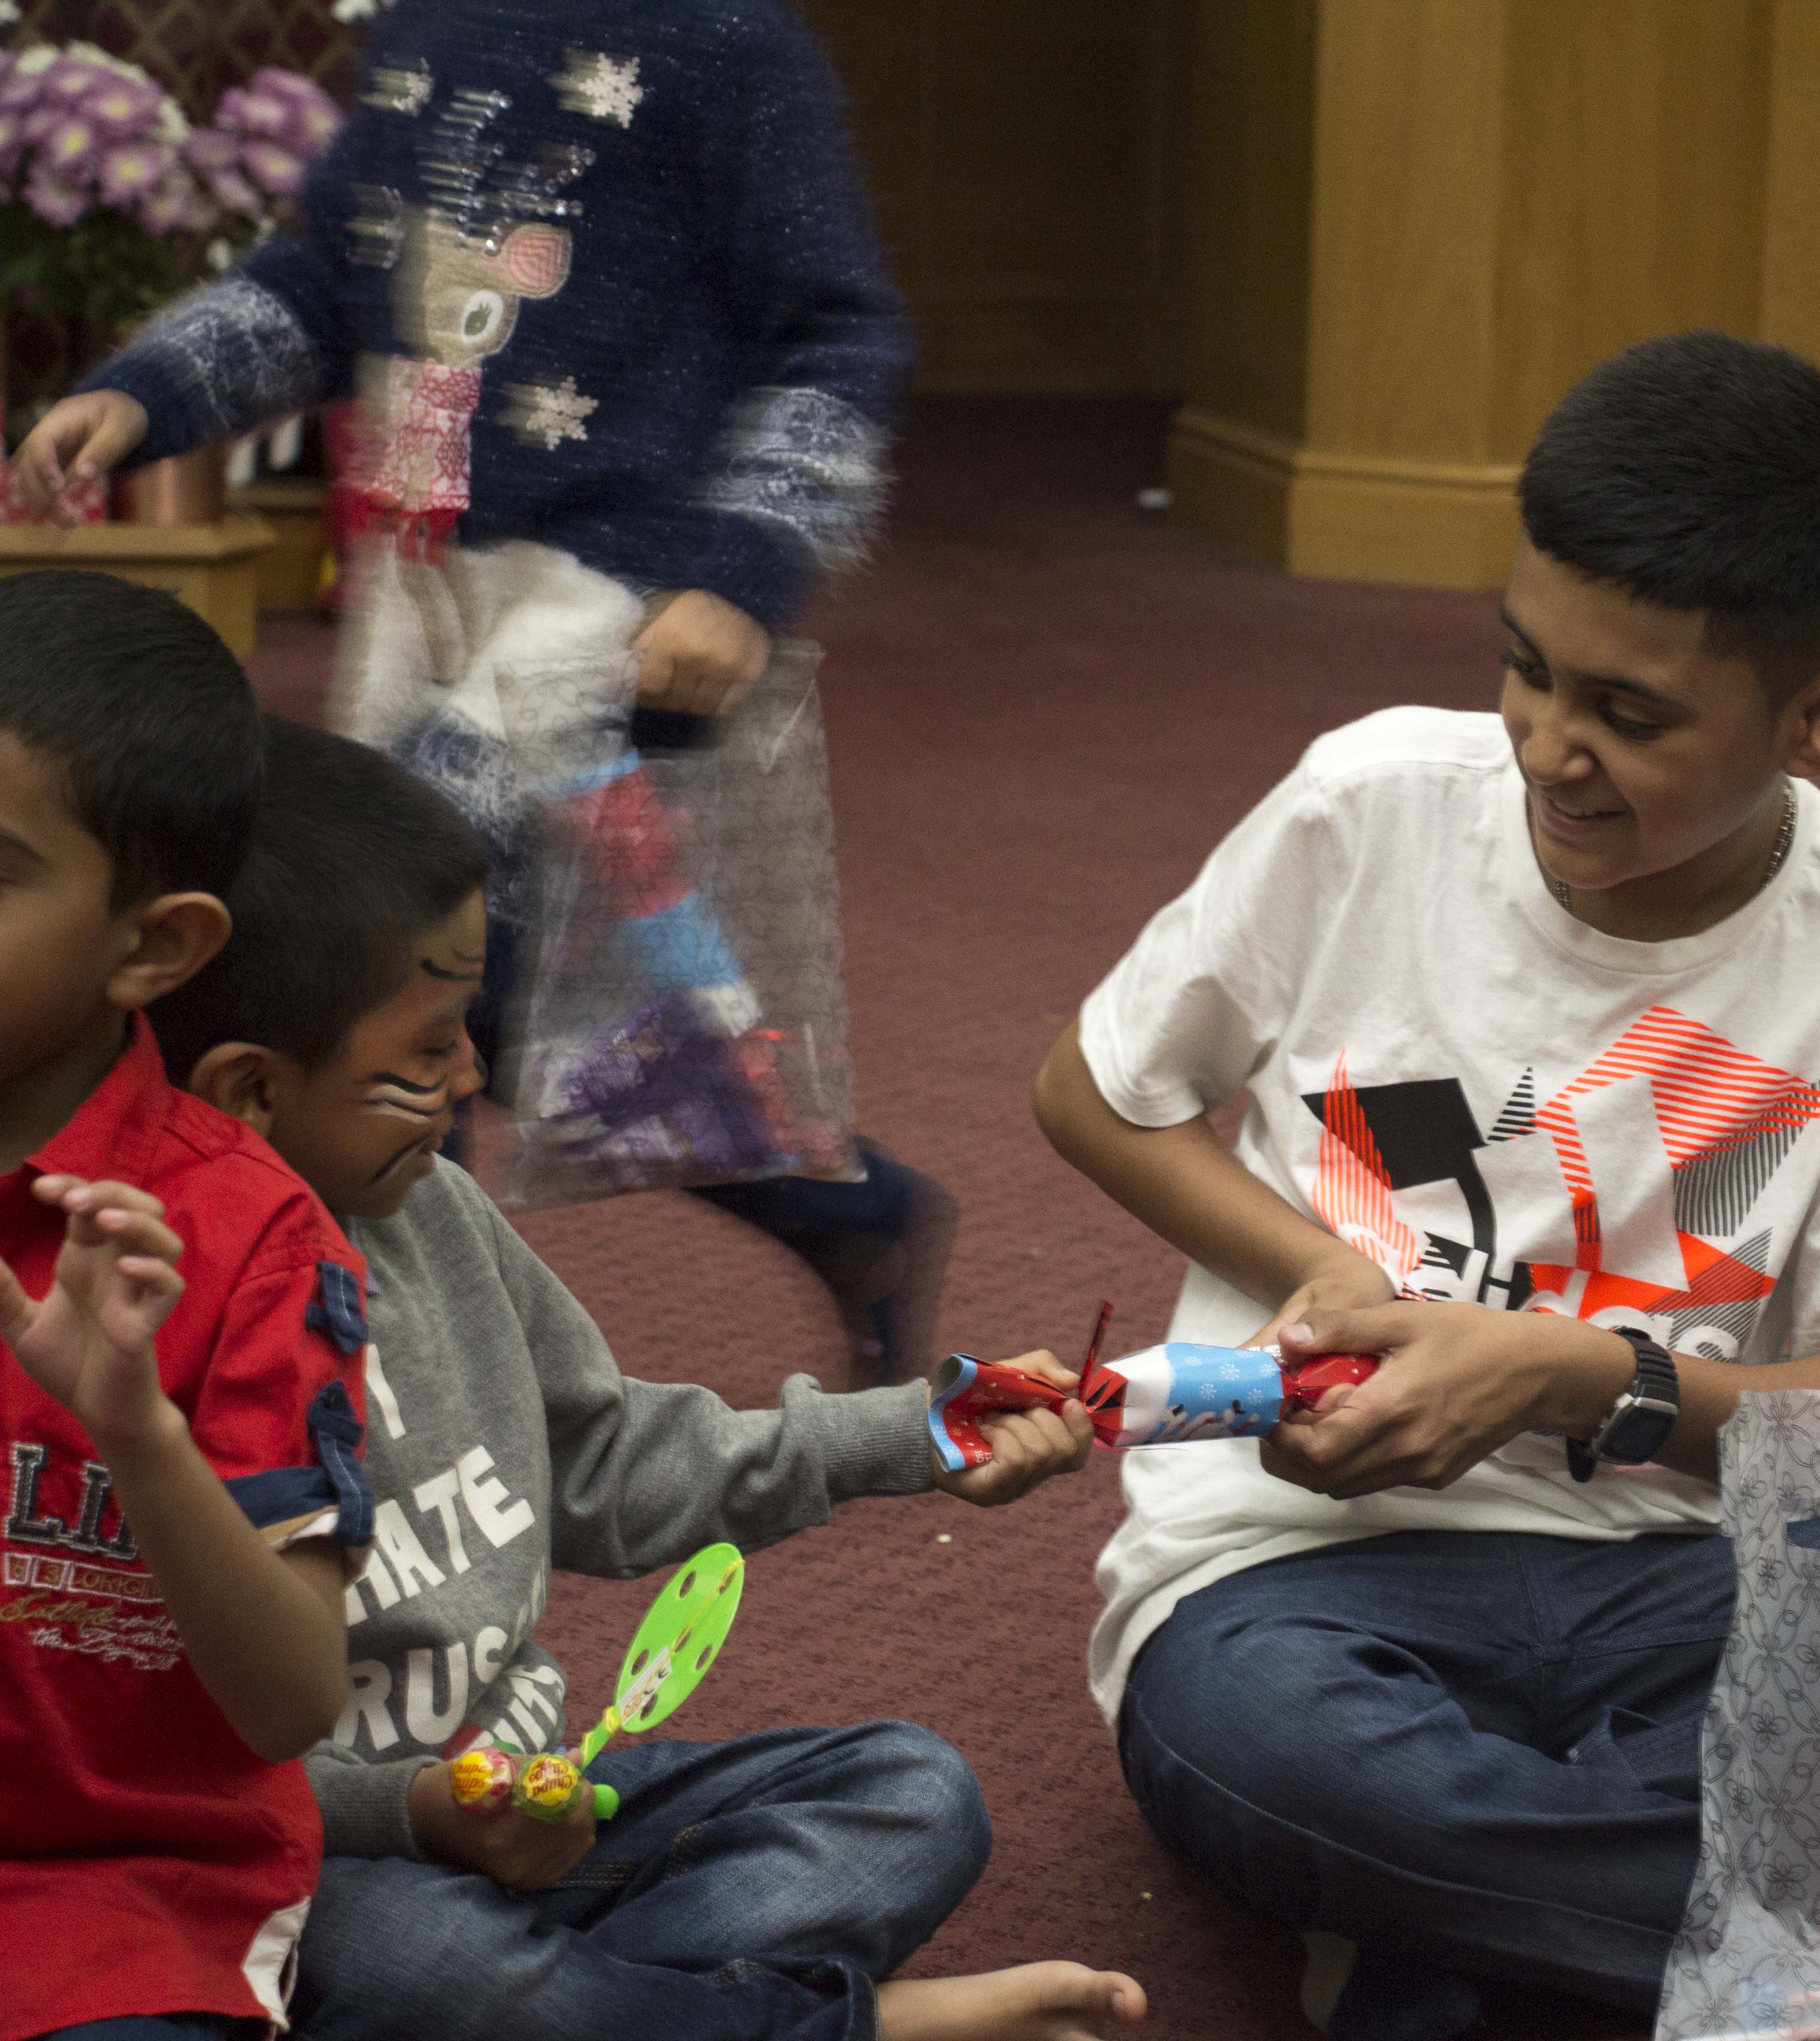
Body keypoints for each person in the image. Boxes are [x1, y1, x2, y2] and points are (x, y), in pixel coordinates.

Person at [1036, 331, 1820, 2041]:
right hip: (1303, 1572)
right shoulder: (1372, 805)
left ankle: (1477, 1915)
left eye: (1630, 716)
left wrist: (1589, 1380)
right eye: (1530, 669)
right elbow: (1094, 1092)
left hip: (1692, 1588)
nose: (1549, 747)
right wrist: (1344, 1291)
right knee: (1255, 1750)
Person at [145, 718, 1145, 2041]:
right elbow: (181, 1768)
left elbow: (606, 1461)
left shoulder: (434, 1210)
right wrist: (423, 1816)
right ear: (254, 1092)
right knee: (431, 1976)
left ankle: (618, 2019)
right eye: (432, 1045)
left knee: (911, 1795)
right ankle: (857, 2028)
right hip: (346, 1856)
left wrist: (915, 1433)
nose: (474, 1075)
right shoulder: (146, 1341)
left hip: (550, 1804)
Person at [8, 0, 959, 1385]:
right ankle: (846, 1210)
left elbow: (837, 338)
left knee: (379, 963)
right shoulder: (429, 26)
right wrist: (150, 393)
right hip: (426, 589)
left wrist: (743, 572)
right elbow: (326, 284)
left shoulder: (728, 45)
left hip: (602, 602)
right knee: (505, 992)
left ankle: (359, 1361)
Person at [0, 572, 375, 2040]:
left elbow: (291, 1700)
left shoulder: (250, 1236)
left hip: (122, 1902)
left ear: (152, 946)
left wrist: (135, 1432)